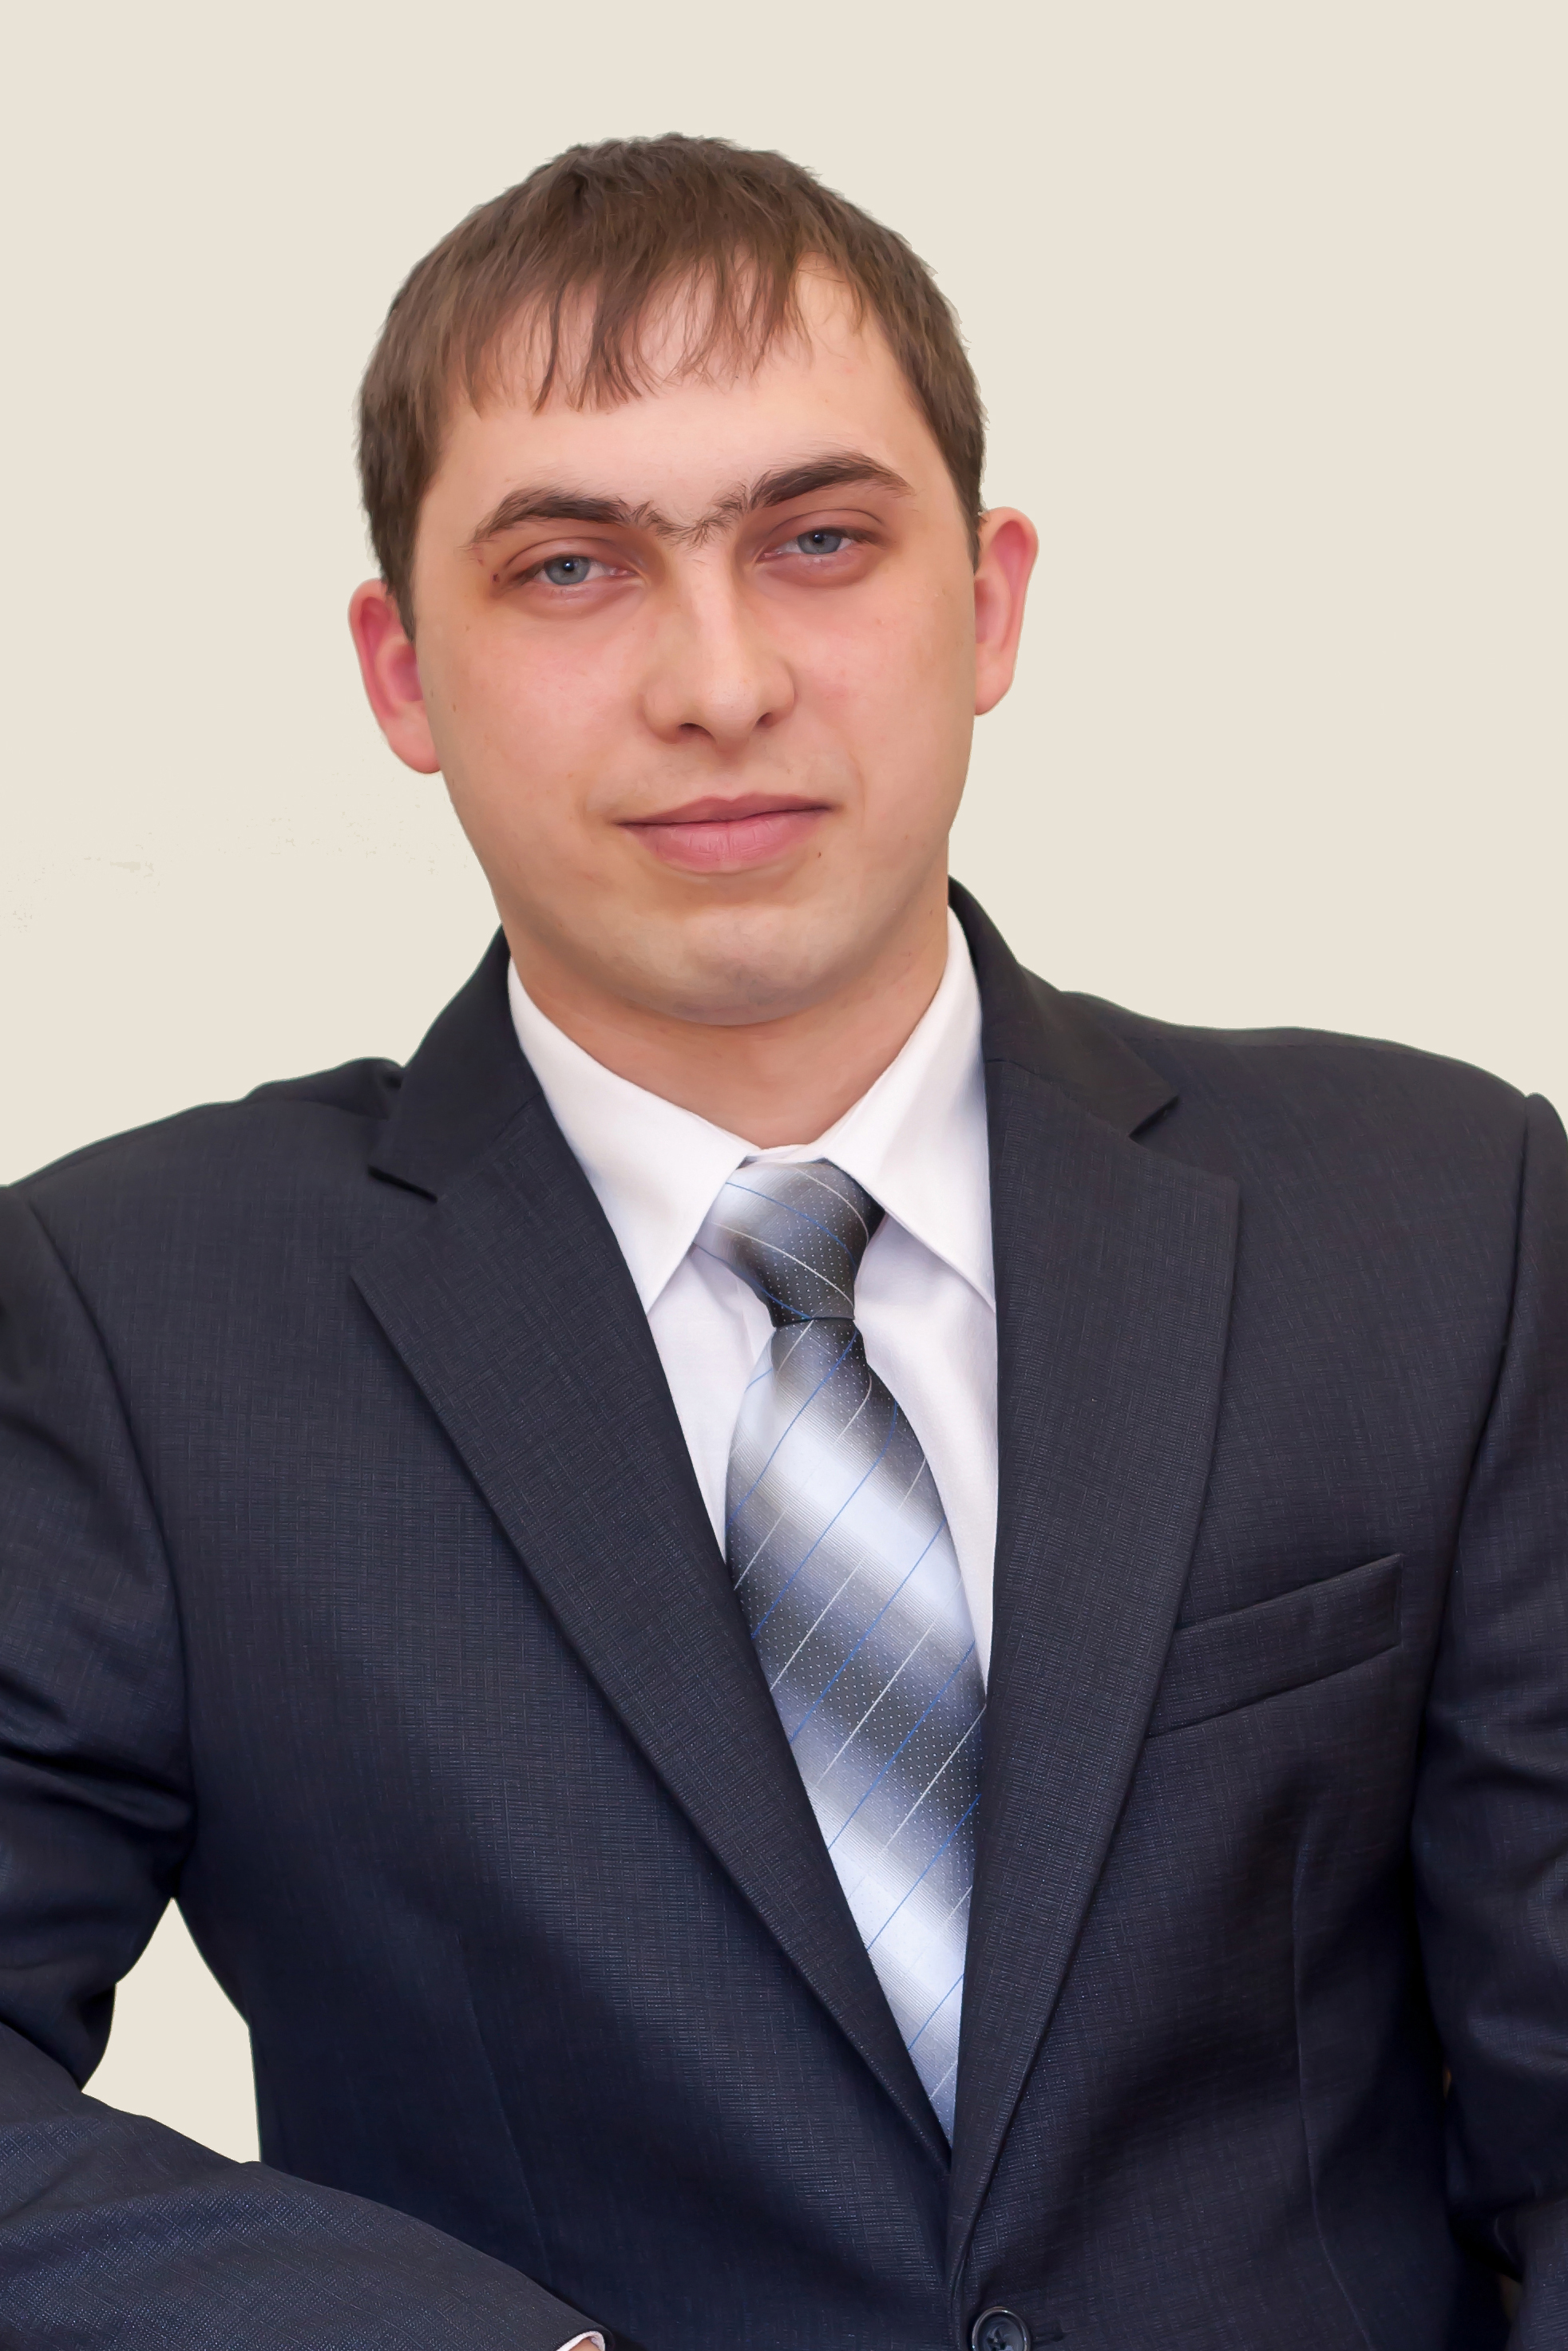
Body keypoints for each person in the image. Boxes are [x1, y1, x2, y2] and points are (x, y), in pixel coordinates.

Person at [0, 132, 1562, 2351]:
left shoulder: (1441, 1216)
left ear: (988, 602)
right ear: (400, 672)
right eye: (569, 566)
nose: (718, 680)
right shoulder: (130, 1321)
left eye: (817, 539)